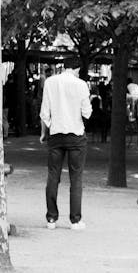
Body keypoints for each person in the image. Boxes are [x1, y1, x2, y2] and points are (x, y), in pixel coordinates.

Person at [39, 56, 92, 230]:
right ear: (76, 69)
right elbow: (87, 113)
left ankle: (51, 218)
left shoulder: (50, 82)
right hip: (76, 134)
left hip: (56, 134)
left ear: (64, 67)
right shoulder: (81, 84)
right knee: (76, 178)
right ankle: (75, 220)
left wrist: (43, 133)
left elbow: (44, 112)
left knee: (53, 176)